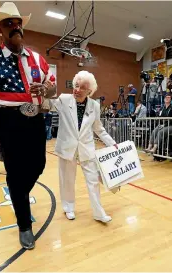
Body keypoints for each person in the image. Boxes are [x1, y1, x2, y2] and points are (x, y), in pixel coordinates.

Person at [0, 2, 56, 250]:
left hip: (36, 118)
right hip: (7, 122)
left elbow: (53, 87)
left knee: (38, 165)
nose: (16, 27)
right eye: (9, 23)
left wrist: (46, 89)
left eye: (18, 22)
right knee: (16, 172)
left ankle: (17, 194)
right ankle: (24, 225)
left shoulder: (38, 59)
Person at [51, 71, 118, 223]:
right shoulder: (63, 99)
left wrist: (112, 143)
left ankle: (98, 212)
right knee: (67, 180)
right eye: (76, 86)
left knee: (93, 180)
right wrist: (46, 91)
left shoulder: (94, 105)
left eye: (82, 88)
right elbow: (47, 104)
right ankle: (68, 208)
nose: (77, 90)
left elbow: (99, 129)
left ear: (90, 91)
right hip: (67, 148)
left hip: (87, 149)